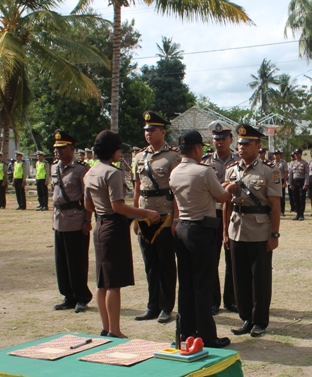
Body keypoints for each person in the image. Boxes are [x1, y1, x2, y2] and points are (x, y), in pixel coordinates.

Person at [85, 130, 160, 338]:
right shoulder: (113, 173)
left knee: (102, 280)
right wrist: (145, 213)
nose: (120, 153)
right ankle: (115, 330)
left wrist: (102, 210)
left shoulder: (90, 172)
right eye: (119, 149)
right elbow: (118, 206)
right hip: (113, 227)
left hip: (100, 224)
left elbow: (87, 204)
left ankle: (106, 326)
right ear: (112, 151)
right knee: (113, 283)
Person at [171, 129, 239, 348]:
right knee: (203, 284)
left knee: (186, 284)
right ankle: (207, 335)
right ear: (198, 148)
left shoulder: (175, 172)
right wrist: (232, 187)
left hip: (182, 227)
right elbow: (222, 196)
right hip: (202, 230)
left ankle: (186, 331)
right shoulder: (203, 172)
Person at [224, 124, 282, 338]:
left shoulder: (269, 171)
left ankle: (260, 321)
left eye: (247, 144)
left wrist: (274, 234)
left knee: (260, 278)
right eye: (240, 144)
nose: (242, 148)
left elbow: (275, 206)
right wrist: (224, 232)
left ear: (258, 146)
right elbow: (227, 205)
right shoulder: (231, 170)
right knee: (239, 278)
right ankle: (246, 318)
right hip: (236, 228)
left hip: (260, 231)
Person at [132, 111, 181, 324]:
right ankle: (152, 305)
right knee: (149, 263)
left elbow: (177, 190)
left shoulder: (173, 156)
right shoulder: (139, 157)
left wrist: (176, 219)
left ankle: (166, 307)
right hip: (145, 216)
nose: (148, 134)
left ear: (163, 131)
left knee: (166, 264)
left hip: (165, 216)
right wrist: (135, 216)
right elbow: (136, 188)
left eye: (152, 130)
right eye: (146, 130)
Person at [50, 130, 93, 314]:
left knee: (77, 261)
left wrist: (87, 220)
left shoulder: (80, 169)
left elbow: (87, 196)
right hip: (59, 220)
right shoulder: (54, 168)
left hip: (76, 220)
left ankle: (81, 297)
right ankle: (67, 295)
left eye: (61, 148)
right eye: (56, 148)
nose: (57, 152)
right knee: (62, 261)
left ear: (71, 148)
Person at [202, 121, 239, 314]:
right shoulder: (205, 161)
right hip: (212, 213)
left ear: (231, 139)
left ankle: (231, 300)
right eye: (216, 138)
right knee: (211, 258)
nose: (220, 142)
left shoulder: (239, 161)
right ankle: (213, 301)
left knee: (231, 257)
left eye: (224, 138)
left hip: (234, 212)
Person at [288, 149, 309, 220]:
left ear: (301, 154)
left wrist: (306, 184)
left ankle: (301, 214)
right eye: (295, 154)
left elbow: (306, 174)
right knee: (295, 198)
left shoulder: (305, 163)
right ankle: (297, 213)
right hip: (294, 182)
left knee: (302, 198)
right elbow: (290, 174)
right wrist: (290, 183)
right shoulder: (292, 163)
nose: (296, 156)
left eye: (298, 154)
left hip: (301, 182)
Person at [271, 150, 288, 215]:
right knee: (274, 196)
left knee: (282, 196)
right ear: (273, 155)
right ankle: (274, 210)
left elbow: (286, 172)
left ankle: (282, 211)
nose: (276, 156)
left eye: (277, 154)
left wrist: (285, 182)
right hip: (274, 181)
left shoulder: (283, 163)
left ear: (280, 155)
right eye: (275, 154)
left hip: (281, 180)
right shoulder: (272, 163)